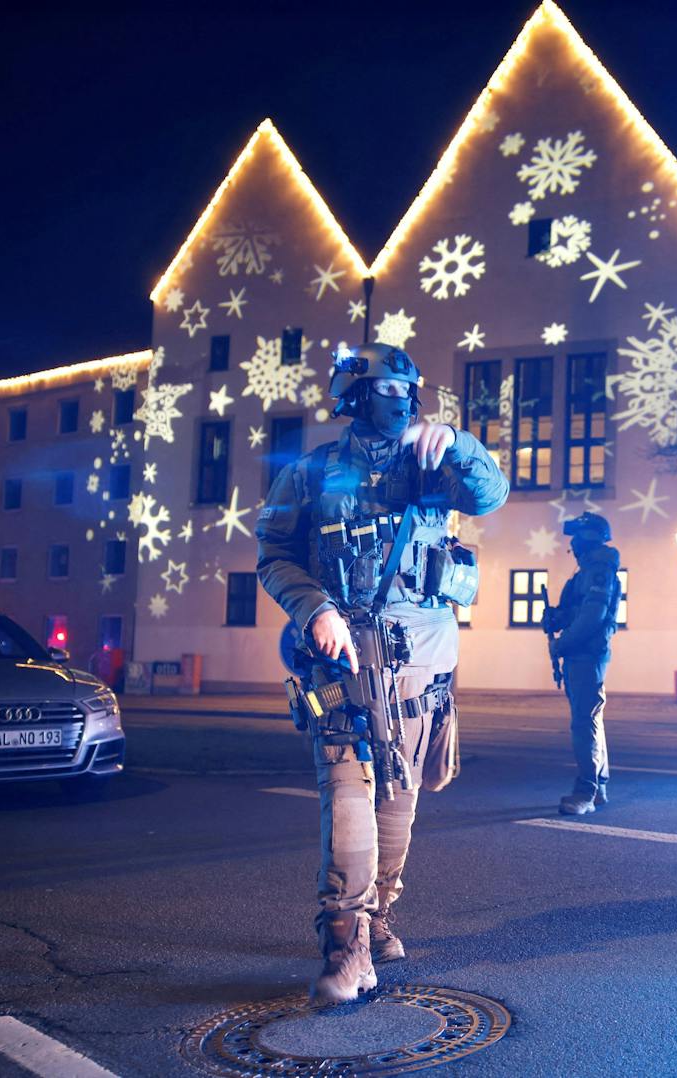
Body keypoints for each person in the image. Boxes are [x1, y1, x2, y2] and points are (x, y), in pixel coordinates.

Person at [256, 342, 508, 1005]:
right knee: (346, 789)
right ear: (353, 396)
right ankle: (347, 942)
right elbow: (274, 553)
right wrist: (314, 608)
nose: (398, 403)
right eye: (384, 391)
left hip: (420, 660)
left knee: (399, 797)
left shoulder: (432, 464)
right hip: (336, 660)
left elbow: (490, 492)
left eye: (406, 392)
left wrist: (454, 441)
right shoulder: (310, 473)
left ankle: (380, 912)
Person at [545, 511, 621, 815]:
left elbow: (593, 616)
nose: (573, 545)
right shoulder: (588, 571)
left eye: (576, 538)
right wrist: (557, 617)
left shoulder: (598, 570)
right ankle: (598, 786)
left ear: (587, 539)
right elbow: (577, 611)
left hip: (587, 653)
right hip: (582, 652)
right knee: (591, 719)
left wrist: (562, 643)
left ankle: (586, 791)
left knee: (584, 721)